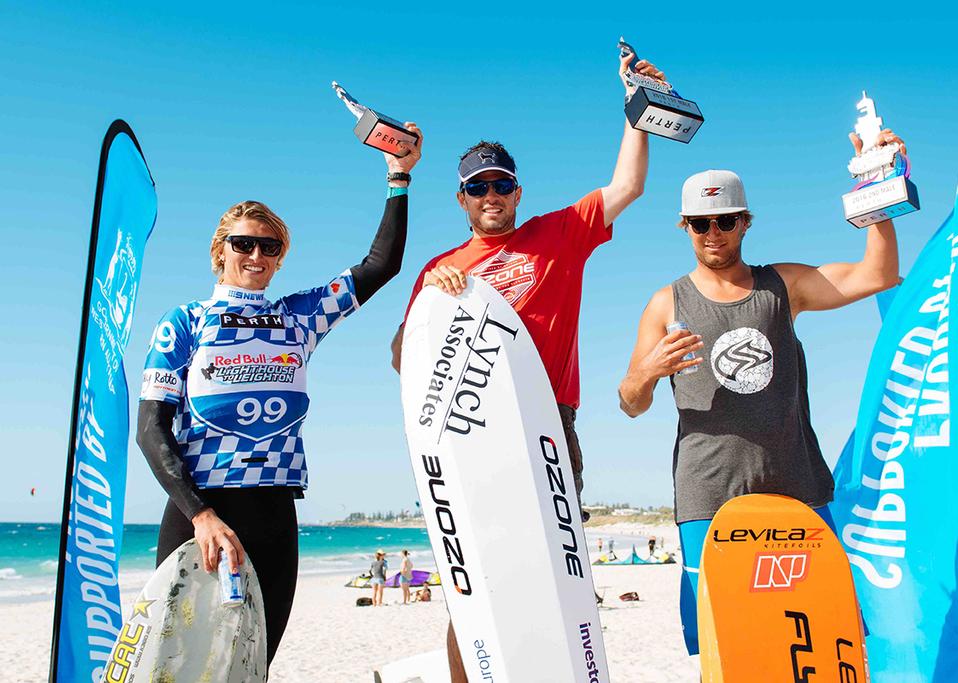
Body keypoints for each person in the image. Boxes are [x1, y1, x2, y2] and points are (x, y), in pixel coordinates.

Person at [390, 54, 665, 683]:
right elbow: (404, 360)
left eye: (501, 184)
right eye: (478, 188)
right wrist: (431, 308)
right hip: (468, 433)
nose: (491, 196)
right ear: (461, 199)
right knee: (473, 584)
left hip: (548, 421)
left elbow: (628, 187)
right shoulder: (440, 268)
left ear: (518, 190)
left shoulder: (559, 233)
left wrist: (638, 112)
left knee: (554, 569)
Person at [136, 124, 422, 666]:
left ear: (280, 256)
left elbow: (380, 266)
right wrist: (199, 514)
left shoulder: (298, 319)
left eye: (269, 246)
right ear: (220, 251)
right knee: (175, 667)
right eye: (243, 243)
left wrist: (398, 177)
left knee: (252, 665)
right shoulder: (184, 323)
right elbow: (150, 430)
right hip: (201, 512)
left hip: (272, 513)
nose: (256, 255)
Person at [617, 129, 906, 656]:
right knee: (729, 648)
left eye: (725, 220)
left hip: (796, 489)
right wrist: (649, 372)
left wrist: (877, 184)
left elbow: (879, 274)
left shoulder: (784, 285)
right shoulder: (666, 303)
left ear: (744, 222)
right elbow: (630, 402)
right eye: (701, 223)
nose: (713, 233)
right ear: (685, 227)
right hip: (708, 499)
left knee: (820, 634)